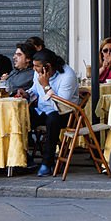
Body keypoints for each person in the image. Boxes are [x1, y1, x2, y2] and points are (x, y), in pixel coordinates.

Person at [29, 48, 78, 177]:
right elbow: (34, 89)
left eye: (37, 66)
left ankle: (47, 163)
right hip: (42, 110)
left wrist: (46, 86)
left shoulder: (68, 76)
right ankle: (23, 157)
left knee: (53, 119)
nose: (34, 69)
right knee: (21, 114)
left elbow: (61, 106)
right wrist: (26, 93)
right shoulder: (38, 72)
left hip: (64, 114)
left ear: (48, 66)